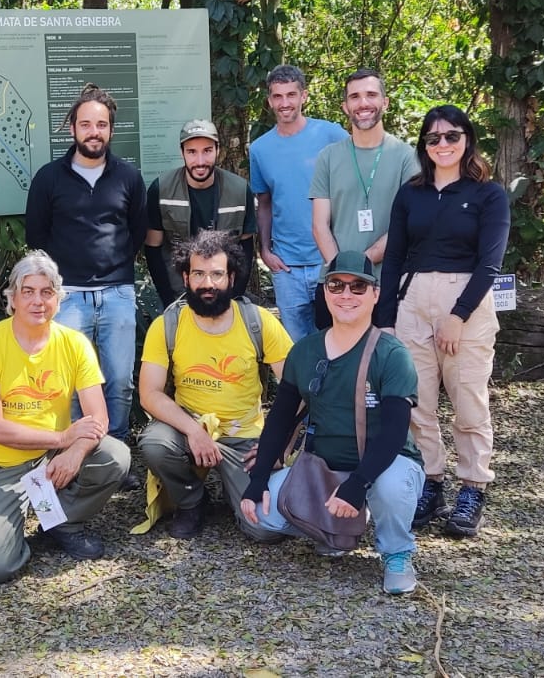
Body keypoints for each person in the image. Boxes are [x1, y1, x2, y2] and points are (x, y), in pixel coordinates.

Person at [239, 251, 424, 595]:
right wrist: (260, 477)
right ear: (325, 291)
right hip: (325, 467)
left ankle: (397, 553)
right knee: (263, 513)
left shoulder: (391, 354)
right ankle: (333, 529)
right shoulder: (305, 351)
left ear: (375, 294)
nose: (346, 295)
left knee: (392, 487)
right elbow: (281, 418)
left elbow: (396, 433)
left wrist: (358, 484)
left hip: (384, 466)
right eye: (337, 285)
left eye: (358, 286)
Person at [374, 105, 509, 538]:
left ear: (467, 139)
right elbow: (393, 257)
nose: (443, 145)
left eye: (452, 136)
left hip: (465, 301)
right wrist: (387, 318)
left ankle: (473, 487)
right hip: (413, 300)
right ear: (424, 146)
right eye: (433, 139)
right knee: (417, 404)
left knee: (469, 401)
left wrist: (458, 316)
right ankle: (431, 482)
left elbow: (490, 264)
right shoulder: (410, 193)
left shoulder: (488, 194)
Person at [0, 251, 131, 583]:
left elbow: (99, 418)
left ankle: (60, 522)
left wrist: (75, 452)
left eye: (47, 292)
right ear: (12, 298)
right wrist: (64, 439)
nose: (38, 301)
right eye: (28, 291)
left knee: (115, 456)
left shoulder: (75, 343)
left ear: (59, 298)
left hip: (51, 460)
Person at [138, 230, 292, 540]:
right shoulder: (167, 324)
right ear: (185, 277)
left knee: (266, 529)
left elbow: (295, 389)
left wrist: (280, 445)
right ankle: (191, 501)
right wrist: (194, 431)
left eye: (217, 274)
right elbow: (149, 393)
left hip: (244, 436)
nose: (207, 283)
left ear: (231, 278)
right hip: (189, 429)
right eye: (199, 274)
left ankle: (239, 490)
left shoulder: (258, 322)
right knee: (155, 443)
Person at [25, 84, 147, 457]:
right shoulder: (49, 178)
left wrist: (112, 267)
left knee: (120, 381)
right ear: (72, 128)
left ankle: (117, 451)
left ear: (111, 129)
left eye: (102, 125)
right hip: (68, 296)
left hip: (117, 293)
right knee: (72, 381)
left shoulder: (128, 177)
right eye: (86, 124)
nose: (94, 132)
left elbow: (137, 231)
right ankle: (76, 451)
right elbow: (36, 235)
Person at [248, 65, 349, 340]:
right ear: (269, 100)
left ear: (303, 96)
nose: (284, 103)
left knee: (337, 341)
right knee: (297, 348)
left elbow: (356, 186)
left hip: (328, 261)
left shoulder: (332, 135)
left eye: (291, 95)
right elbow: (264, 202)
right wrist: (265, 250)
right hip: (287, 267)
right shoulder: (259, 149)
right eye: (277, 97)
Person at [310, 67, 419, 273]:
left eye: (371, 95)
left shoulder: (407, 157)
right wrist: (342, 272)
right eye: (354, 97)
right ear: (345, 106)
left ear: (385, 103)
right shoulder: (328, 157)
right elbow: (319, 225)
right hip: (337, 284)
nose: (363, 103)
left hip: (390, 282)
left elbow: (407, 224)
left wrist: (360, 266)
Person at [142, 120, 257, 305]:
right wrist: (168, 299)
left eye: (207, 151)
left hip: (223, 290)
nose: (200, 161)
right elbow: (153, 248)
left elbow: (246, 247)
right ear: (182, 153)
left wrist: (234, 296)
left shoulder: (240, 190)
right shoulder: (161, 189)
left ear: (218, 151)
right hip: (178, 291)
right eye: (192, 152)